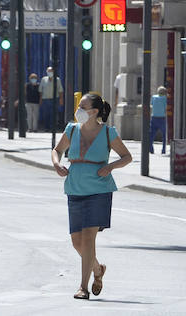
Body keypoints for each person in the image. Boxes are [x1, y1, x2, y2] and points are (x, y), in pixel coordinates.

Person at [52, 93, 131, 301]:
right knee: (77, 242)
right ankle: (97, 269)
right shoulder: (71, 129)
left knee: (88, 239)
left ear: (94, 112)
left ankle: (82, 287)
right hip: (75, 188)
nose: (78, 110)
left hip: (99, 191)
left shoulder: (108, 133)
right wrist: (57, 164)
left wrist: (110, 167)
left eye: (82, 106)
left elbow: (127, 157)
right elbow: (57, 150)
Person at [148, 86, 168, 154]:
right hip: (162, 118)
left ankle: (151, 149)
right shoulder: (165, 98)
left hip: (154, 117)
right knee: (164, 135)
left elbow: (151, 104)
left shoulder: (154, 97)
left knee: (151, 135)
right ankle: (163, 149)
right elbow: (166, 107)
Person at [39, 66, 60, 131]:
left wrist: (61, 99)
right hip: (45, 99)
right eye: (48, 71)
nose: (50, 72)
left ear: (53, 72)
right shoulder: (43, 79)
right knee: (46, 114)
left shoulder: (57, 79)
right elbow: (40, 90)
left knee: (53, 114)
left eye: (51, 71)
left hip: (54, 99)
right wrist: (40, 100)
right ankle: (46, 127)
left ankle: (53, 127)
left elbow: (60, 90)